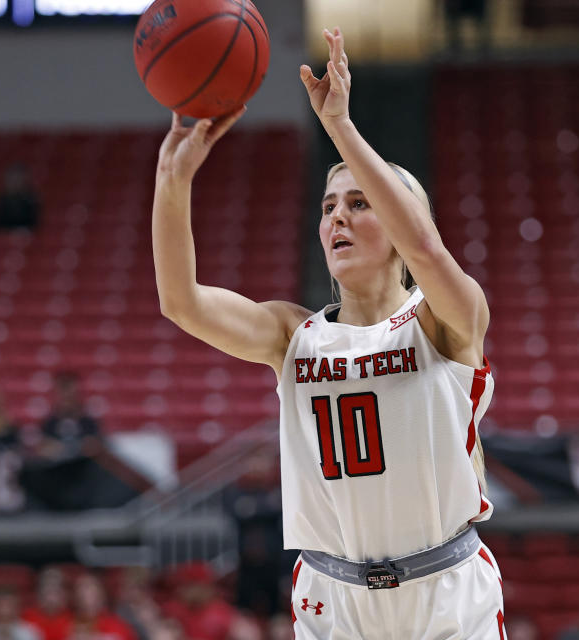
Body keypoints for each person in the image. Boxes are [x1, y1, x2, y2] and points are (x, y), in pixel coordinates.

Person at [152, 26, 502, 639]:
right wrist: (172, 182)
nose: (337, 214)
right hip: (332, 596)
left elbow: (424, 244)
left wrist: (339, 125)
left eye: (361, 203)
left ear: (399, 223)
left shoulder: (447, 319)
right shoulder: (293, 334)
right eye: (327, 205)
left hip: (445, 591)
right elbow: (180, 301)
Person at [22, 569, 73, 640]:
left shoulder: (74, 619)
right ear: (38, 593)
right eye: (47, 591)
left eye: (55, 591)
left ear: (64, 594)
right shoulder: (26, 618)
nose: (50, 597)